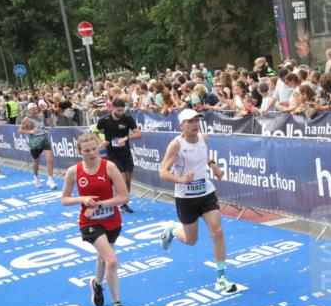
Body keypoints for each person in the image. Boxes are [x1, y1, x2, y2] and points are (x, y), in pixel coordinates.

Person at [157, 109, 237, 293]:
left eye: (196, 120)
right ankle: (171, 231)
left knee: (217, 231)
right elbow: (163, 172)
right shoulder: (176, 145)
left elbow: (204, 155)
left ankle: (221, 278)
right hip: (185, 198)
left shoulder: (204, 138)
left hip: (206, 193)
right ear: (181, 125)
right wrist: (181, 180)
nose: (194, 124)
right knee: (191, 239)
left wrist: (213, 165)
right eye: (190, 121)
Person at [60, 132, 130, 306]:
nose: (92, 153)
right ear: (80, 152)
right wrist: (81, 199)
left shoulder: (109, 167)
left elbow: (124, 197)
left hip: (112, 220)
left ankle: (96, 284)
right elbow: (64, 199)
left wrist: (100, 205)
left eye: (94, 149)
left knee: (103, 258)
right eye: (86, 151)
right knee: (112, 260)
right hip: (89, 222)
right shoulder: (74, 171)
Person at [93, 98, 141, 213]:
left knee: (128, 179)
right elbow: (94, 132)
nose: (121, 113)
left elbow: (138, 134)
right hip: (113, 154)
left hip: (126, 153)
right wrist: (100, 142)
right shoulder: (104, 120)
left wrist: (126, 138)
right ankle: (117, 200)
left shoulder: (127, 119)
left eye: (122, 110)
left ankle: (124, 203)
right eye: (118, 110)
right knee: (122, 178)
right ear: (112, 108)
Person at [18, 102, 57, 189]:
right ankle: (36, 177)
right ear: (29, 111)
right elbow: (20, 131)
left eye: (36, 109)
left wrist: (48, 116)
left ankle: (50, 179)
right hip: (34, 144)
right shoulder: (26, 119)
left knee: (50, 159)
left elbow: (52, 125)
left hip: (44, 140)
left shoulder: (41, 116)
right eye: (33, 110)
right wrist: (30, 132)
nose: (35, 111)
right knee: (36, 163)